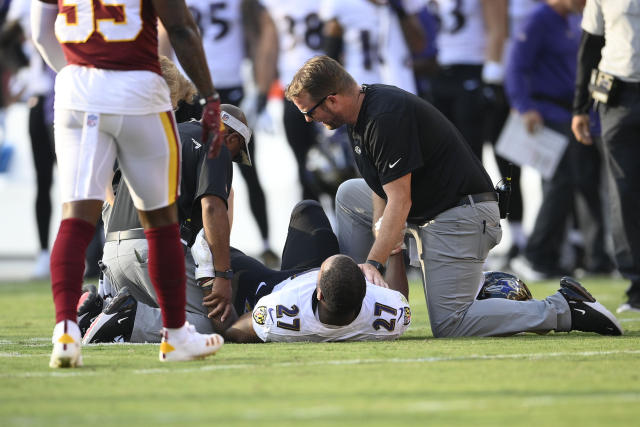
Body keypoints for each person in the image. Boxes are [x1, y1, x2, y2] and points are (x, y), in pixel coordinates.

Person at [286, 55, 623, 338]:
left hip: (461, 214)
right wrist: (385, 243)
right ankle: (357, 306)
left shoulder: (384, 116)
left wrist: (374, 262)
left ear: (332, 99)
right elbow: (380, 191)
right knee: (349, 194)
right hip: (433, 208)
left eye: (309, 111)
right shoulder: (360, 115)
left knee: (451, 323)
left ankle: (564, 309)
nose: (307, 119)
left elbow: (399, 202)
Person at [31, 0, 225, 367]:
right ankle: (176, 335)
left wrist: (77, 77)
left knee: (75, 215)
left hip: (77, 88)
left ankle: (66, 332)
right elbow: (181, 28)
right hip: (138, 88)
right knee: (161, 222)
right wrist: (210, 97)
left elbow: (41, 33)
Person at [82, 71, 252, 343]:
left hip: (113, 251)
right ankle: (127, 318)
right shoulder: (216, 141)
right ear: (231, 137)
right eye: (236, 152)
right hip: (152, 248)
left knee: (157, 312)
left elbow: (109, 184)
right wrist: (222, 274)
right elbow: (212, 209)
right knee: (207, 326)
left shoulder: (164, 131)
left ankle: (92, 313)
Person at [159, 0, 281, 268]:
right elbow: (267, 35)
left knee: (243, 167)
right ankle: (186, 240)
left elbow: (265, 32)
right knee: (187, 170)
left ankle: (261, 242)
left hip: (209, 89)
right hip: (197, 89)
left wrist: (261, 90)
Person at [506, 0, 611, 279]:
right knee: (560, 181)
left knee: (581, 181)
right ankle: (536, 256)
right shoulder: (539, 18)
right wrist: (524, 106)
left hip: (573, 113)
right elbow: (515, 66)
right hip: (547, 113)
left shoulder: (574, 19)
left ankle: (586, 255)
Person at [571, 0, 640, 313]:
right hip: (619, 96)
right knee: (624, 190)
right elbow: (590, 44)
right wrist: (580, 107)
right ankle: (637, 286)